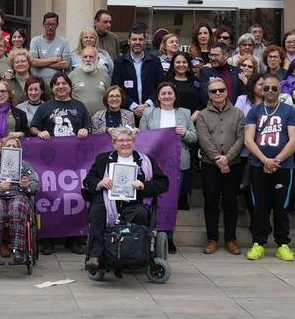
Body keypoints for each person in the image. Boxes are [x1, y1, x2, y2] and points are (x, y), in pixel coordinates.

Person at [82, 126, 169, 271]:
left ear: (134, 142)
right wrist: (100, 183)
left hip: (134, 203)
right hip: (107, 201)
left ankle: (136, 254)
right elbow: (88, 181)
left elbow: (163, 183)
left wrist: (143, 185)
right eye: (121, 140)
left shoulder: (146, 161)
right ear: (114, 143)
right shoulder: (103, 159)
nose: (125, 143)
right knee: (97, 212)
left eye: (129, 140)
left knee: (141, 214)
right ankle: (96, 256)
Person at [243, 73, 295, 262]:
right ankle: (258, 243)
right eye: (265, 87)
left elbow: (294, 140)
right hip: (258, 166)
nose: (269, 91)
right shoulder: (254, 111)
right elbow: (248, 139)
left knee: (281, 206)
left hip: (283, 167)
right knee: (259, 205)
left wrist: (276, 160)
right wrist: (264, 160)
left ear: (280, 89)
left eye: (274, 88)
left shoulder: (289, 111)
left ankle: (282, 244)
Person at [30, 73, 89, 256]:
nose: (61, 86)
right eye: (57, 84)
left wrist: (85, 130)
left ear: (70, 86)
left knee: (75, 197)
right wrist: (39, 132)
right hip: (50, 164)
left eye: (64, 83)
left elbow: (88, 127)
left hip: (75, 164)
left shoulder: (79, 106)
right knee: (49, 199)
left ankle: (75, 239)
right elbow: (33, 127)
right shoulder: (45, 107)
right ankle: (47, 239)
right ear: (52, 88)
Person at [193, 77, 245, 255]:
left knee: (231, 203)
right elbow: (204, 139)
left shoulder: (238, 113)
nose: (218, 94)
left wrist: (227, 159)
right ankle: (212, 239)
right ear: (208, 94)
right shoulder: (203, 115)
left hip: (234, 164)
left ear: (226, 91)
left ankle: (230, 239)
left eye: (221, 90)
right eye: (214, 91)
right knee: (211, 203)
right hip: (209, 165)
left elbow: (241, 138)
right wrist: (218, 159)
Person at [0, 133, 40, 264]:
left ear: (19, 150)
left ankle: (18, 249)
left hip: (18, 195)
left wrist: (27, 185)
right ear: (2, 149)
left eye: (14, 146)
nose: (11, 147)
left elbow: (36, 185)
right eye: (9, 145)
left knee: (18, 207)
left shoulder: (25, 167)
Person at [139, 82, 196, 212]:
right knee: (153, 197)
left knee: (172, 198)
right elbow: (142, 137)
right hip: (154, 161)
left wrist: (185, 133)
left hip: (177, 161)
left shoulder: (185, 113)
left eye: (170, 93)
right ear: (158, 97)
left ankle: (167, 229)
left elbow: (194, 137)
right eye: (163, 93)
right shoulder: (148, 112)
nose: (167, 96)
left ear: (175, 96)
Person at [113, 27, 162, 120]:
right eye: (134, 39)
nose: (137, 42)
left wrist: (147, 104)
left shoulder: (155, 61)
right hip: (127, 113)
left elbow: (160, 86)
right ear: (128, 41)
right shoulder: (119, 63)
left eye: (141, 39)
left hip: (151, 111)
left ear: (145, 41)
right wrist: (133, 106)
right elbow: (116, 88)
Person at [29, 12, 70, 82]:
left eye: (53, 24)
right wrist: (54, 59)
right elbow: (33, 62)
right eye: (47, 24)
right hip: (38, 83)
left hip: (57, 83)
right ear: (43, 25)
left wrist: (41, 63)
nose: (50, 27)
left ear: (57, 25)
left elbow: (65, 64)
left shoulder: (64, 42)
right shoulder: (35, 41)